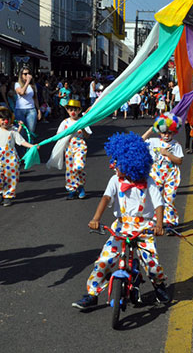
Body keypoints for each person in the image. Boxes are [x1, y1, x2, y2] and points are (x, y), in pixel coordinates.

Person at [72, 132, 170, 310]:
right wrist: (96, 219)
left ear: (131, 163)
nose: (113, 166)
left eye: (118, 162)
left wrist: (159, 225)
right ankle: (92, 294)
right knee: (105, 260)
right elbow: (106, 199)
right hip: (121, 226)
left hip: (144, 228)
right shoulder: (115, 180)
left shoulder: (149, 182)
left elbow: (159, 204)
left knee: (152, 264)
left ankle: (159, 286)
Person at [0, 107, 36, 207]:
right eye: (2, 119)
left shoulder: (13, 132)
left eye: (7, 119)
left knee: (11, 177)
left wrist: (33, 146)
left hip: (11, 158)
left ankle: (8, 196)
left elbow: (21, 142)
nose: (5, 122)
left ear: (10, 120)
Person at [142, 113, 184, 227]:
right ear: (159, 131)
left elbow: (179, 161)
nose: (166, 135)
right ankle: (156, 221)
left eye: (169, 132)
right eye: (163, 132)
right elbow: (139, 142)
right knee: (156, 198)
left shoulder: (176, 145)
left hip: (171, 175)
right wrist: (150, 131)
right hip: (156, 174)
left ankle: (170, 222)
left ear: (174, 132)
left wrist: (167, 154)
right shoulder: (153, 141)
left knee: (169, 198)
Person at [58, 99, 91, 200]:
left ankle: (80, 186)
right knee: (70, 170)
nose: (73, 112)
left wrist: (83, 127)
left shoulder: (83, 121)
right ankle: (72, 190)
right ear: (67, 110)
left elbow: (88, 136)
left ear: (79, 110)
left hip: (80, 147)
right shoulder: (65, 122)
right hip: (69, 148)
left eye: (75, 110)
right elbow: (58, 135)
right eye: (70, 109)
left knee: (78, 166)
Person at [14, 66, 41, 138]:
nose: (27, 75)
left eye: (29, 73)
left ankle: (29, 148)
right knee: (21, 131)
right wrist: (27, 82)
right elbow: (22, 92)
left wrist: (38, 110)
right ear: (21, 75)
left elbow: (35, 98)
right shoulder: (17, 84)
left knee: (31, 132)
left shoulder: (33, 85)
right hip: (20, 110)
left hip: (31, 109)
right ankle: (21, 148)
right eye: (25, 74)